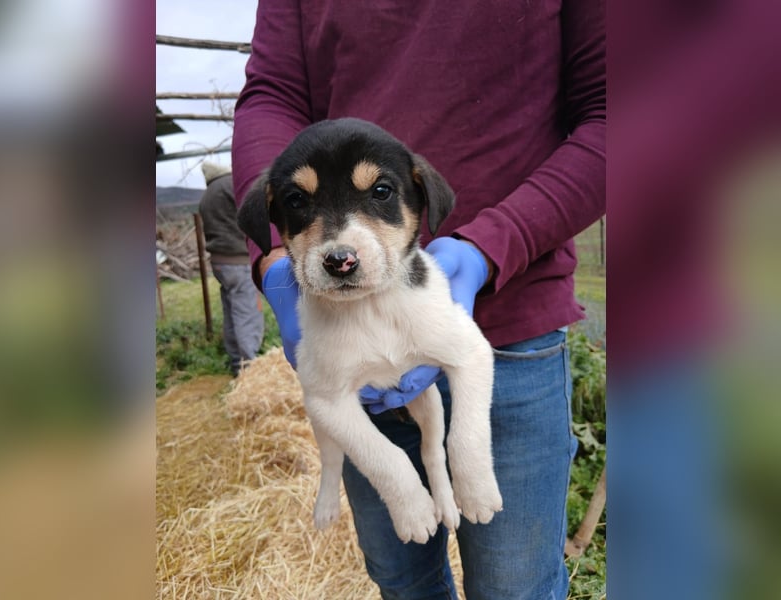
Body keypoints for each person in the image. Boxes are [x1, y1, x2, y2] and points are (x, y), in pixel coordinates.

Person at [232, 1, 605, 598]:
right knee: (402, 578)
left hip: (513, 320)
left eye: (379, 193)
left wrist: (493, 246)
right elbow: (272, 92)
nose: (339, 247)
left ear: (419, 198)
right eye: (299, 205)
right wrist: (278, 262)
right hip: (344, 343)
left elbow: (618, 111)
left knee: (515, 586)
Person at [198, 161, 264, 376]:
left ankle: (237, 362)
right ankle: (250, 367)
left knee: (231, 309)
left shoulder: (208, 194)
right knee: (247, 312)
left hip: (219, 262)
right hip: (239, 261)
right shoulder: (230, 184)